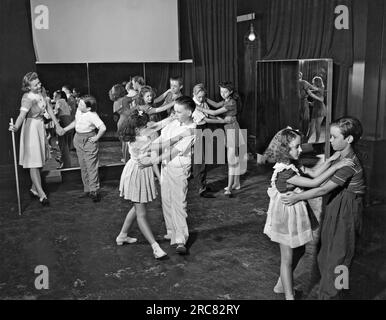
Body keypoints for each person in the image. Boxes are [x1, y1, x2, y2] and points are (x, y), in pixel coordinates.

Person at [263, 127, 353, 300]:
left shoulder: (292, 164)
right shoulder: (285, 172)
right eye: (296, 147)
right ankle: (289, 295)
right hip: (285, 215)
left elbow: (312, 173)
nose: (300, 150)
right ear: (284, 149)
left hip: (293, 211)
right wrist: (338, 166)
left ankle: (282, 284)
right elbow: (316, 183)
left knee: (300, 250)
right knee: (287, 258)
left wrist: (330, 161)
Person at [282, 117, 365, 300]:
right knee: (325, 254)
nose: (330, 140)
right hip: (335, 205)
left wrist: (297, 197)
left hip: (347, 210)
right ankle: (329, 292)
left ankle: (336, 294)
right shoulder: (340, 157)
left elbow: (323, 189)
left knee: (340, 257)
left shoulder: (349, 163)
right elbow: (317, 178)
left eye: (334, 137)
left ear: (349, 139)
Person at [139, 96, 196, 255]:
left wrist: (155, 159)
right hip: (166, 167)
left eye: (178, 111)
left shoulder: (192, 128)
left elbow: (175, 150)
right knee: (166, 200)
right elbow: (161, 138)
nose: (175, 113)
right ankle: (171, 231)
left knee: (178, 202)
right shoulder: (173, 122)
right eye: (174, 111)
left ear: (189, 112)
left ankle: (181, 239)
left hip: (179, 168)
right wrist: (149, 143)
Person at [115, 109, 168, 259]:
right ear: (138, 128)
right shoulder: (140, 140)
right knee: (141, 213)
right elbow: (157, 142)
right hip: (137, 172)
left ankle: (122, 235)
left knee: (138, 205)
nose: (149, 126)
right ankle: (155, 247)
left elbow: (156, 125)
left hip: (142, 171)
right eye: (145, 125)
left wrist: (171, 118)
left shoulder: (140, 133)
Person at [8, 72, 62, 205]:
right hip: (31, 129)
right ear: (28, 87)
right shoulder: (27, 97)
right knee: (34, 163)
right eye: (35, 85)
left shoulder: (41, 92)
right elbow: (22, 116)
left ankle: (34, 188)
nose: (39, 85)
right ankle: (42, 194)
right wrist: (15, 126)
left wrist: (57, 124)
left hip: (40, 127)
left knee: (40, 161)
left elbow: (49, 108)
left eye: (39, 83)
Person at [195, 81, 245, 197]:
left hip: (232, 129)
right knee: (235, 158)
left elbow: (214, 111)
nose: (222, 93)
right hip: (230, 128)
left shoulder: (231, 103)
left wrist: (198, 108)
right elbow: (217, 105)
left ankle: (229, 189)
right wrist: (205, 98)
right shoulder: (227, 100)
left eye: (225, 91)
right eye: (221, 91)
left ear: (231, 92)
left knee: (231, 160)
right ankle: (236, 183)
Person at [58, 95, 106, 202]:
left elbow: (103, 128)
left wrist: (96, 137)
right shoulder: (79, 111)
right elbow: (76, 122)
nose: (78, 104)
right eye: (79, 102)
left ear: (88, 108)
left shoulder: (92, 115)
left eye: (81, 104)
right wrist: (65, 129)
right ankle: (87, 189)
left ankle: (94, 190)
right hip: (78, 139)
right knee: (83, 166)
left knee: (91, 166)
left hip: (89, 140)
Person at [191, 83, 231, 198]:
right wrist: (222, 121)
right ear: (194, 94)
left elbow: (210, 114)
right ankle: (200, 188)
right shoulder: (193, 104)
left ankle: (202, 183)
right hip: (197, 130)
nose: (202, 99)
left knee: (204, 159)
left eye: (203, 96)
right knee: (200, 160)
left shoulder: (203, 102)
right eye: (199, 97)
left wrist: (220, 118)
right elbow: (205, 119)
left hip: (204, 129)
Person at [109, 84, 136, 162]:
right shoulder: (125, 99)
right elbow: (136, 97)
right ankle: (128, 160)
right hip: (127, 121)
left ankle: (125, 158)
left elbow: (118, 113)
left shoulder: (115, 102)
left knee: (124, 143)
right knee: (128, 142)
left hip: (120, 122)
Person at [53, 90, 73, 169]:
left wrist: (51, 115)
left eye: (55, 96)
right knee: (66, 146)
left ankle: (65, 164)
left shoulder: (59, 101)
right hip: (69, 123)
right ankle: (65, 163)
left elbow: (57, 112)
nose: (53, 98)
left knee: (63, 145)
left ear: (60, 96)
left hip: (63, 123)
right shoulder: (65, 102)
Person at [306, 76, 327, 143]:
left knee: (317, 126)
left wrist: (308, 91)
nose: (312, 84)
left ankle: (317, 141)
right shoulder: (317, 90)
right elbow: (315, 102)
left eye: (313, 82)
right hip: (316, 109)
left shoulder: (321, 88)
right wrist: (308, 103)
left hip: (320, 109)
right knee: (311, 127)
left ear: (317, 82)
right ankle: (306, 140)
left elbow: (320, 99)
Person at [298, 72, 317, 136]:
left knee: (299, 119)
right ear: (301, 76)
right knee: (305, 119)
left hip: (295, 103)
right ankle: (304, 135)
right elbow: (313, 88)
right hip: (303, 103)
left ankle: (299, 134)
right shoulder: (303, 82)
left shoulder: (292, 82)